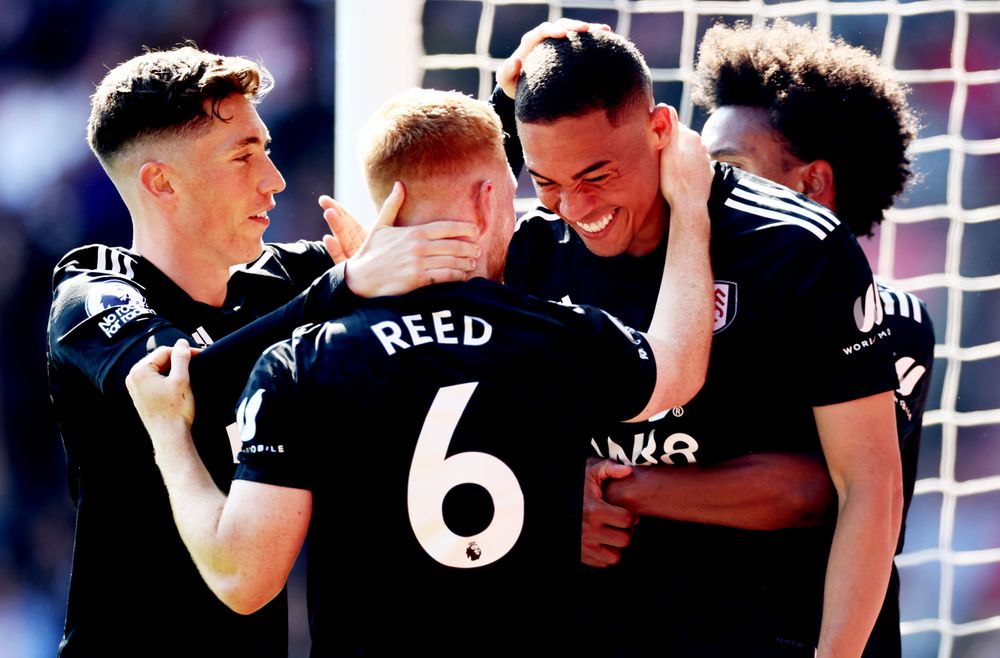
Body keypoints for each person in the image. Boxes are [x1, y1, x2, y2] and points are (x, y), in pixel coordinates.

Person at [124, 86, 715, 657]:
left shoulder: (300, 362)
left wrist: (168, 437)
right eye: (512, 197)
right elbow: (679, 370)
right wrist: (691, 207)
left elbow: (242, 581)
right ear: (487, 202)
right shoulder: (558, 337)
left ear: (389, 207)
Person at [47, 45, 476, 656]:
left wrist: (516, 108)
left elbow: (441, 226)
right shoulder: (93, 291)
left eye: (267, 151)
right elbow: (178, 384)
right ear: (161, 182)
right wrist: (347, 286)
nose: (273, 180)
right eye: (244, 155)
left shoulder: (286, 283)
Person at [490, 26, 901, 658]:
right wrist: (551, 498)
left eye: (597, 174)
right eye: (546, 181)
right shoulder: (528, 255)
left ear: (660, 128)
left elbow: (863, 486)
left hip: (765, 631)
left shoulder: (799, 248)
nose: (575, 204)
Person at [692, 21, 935, 657]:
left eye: (728, 170)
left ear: (811, 184)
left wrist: (616, 484)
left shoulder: (894, 323)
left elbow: (809, 493)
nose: (703, 188)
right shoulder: (674, 303)